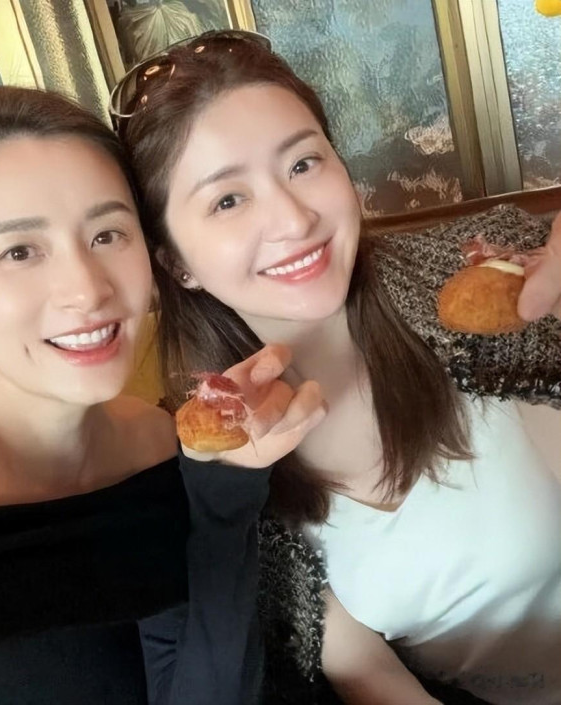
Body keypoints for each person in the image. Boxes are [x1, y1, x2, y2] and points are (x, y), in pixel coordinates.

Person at [114, 30, 561, 705]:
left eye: (302, 164)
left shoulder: (495, 283)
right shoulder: (226, 473)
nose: (294, 219)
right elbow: (368, 673)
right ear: (175, 261)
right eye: (227, 200)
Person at [0, 86, 326, 704]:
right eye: (20, 251)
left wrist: (227, 491)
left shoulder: (168, 453)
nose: (88, 289)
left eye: (107, 235)